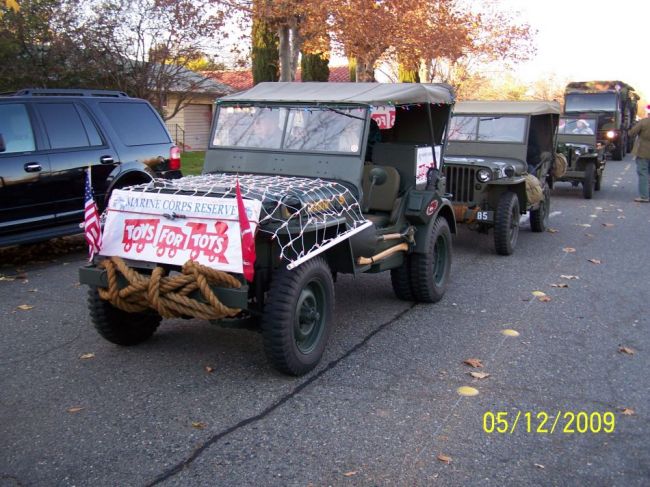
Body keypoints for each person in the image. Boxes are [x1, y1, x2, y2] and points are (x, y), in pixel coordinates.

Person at [629, 105, 650, 202]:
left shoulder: (644, 122)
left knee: (643, 173)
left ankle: (644, 196)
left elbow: (631, 133)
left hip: (643, 151)